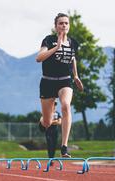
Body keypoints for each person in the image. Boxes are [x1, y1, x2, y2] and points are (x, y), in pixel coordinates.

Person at [36, 13, 84, 158]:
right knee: (47, 122)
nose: (64, 25)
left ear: (69, 26)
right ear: (56, 26)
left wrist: (76, 76)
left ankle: (64, 147)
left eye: (66, 23)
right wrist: (56, 47)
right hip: (47, 82)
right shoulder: (49, 40)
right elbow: (39, 58)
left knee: (66, 106)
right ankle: (46, 120)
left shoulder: (73, 42)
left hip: (65, 80)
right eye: (61, 23)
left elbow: (72, 58)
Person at [39, 101, 61, 165]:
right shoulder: (46, 113)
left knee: (54, 145)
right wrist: (54, 121)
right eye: (53, 104)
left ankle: (52, 158)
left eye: (55, 104)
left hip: (55, 131)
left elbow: (59, 122)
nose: (54, 105)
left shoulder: (57, 113)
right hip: (48, 131)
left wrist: (50, 121)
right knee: (49, 144)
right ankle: (50, 159)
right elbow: (42, 120)